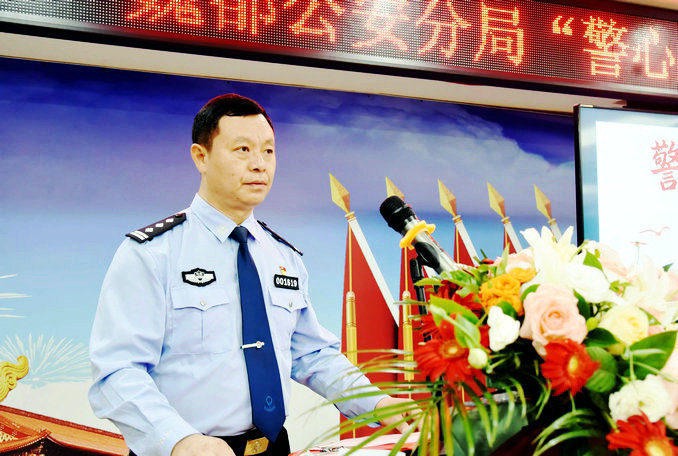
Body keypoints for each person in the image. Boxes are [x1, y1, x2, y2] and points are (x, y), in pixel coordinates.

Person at [89, 94, 412, 456]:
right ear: (201, 157)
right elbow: (117, 371)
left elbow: (312, 354)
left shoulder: (284, 257)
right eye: (242, 150)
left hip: (272, 447)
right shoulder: (152, 254)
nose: (259, 165)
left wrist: (378, 403)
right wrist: (180, 441)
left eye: (268, 151)